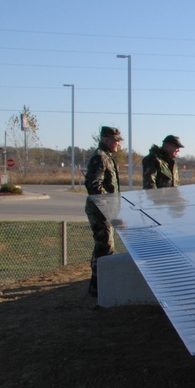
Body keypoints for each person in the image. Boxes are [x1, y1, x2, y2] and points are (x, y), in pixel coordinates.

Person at [84, 126, 124, 296]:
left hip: (105, 209)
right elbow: (93, 185)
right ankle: (101, 286)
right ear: (106, 139)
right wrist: (107, 205)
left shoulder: (106, 157)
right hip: (100, 209)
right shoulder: (100, 158)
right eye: (116, 141)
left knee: (102, 246)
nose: (118, 144)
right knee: (105, 247)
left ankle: (97, 284)